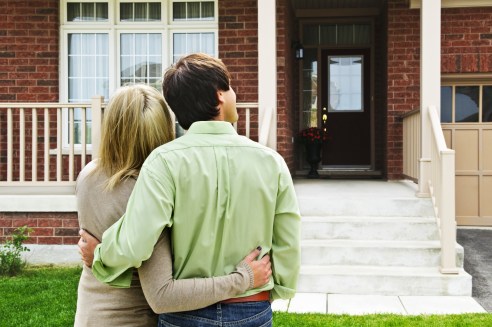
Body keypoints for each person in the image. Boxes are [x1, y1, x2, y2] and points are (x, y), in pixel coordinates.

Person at [84, 53, 301, 326]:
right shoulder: (271, 162)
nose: (234, 93)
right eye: (230, 87)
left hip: (185, 315)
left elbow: (136, 242)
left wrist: (101, 256)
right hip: (250, 307)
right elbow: (288, 240)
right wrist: (278, 289)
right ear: (219, 95)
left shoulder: (163, 162)